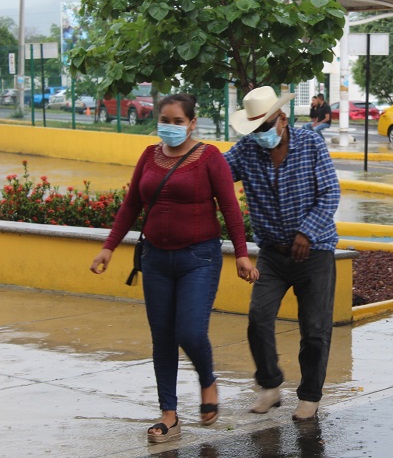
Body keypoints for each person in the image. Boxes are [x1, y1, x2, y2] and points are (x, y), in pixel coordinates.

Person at [90, 93, 258, 443]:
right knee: (163, 338)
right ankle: (169, 414)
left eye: (178, 121)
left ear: (192, 123)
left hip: (199, 258)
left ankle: (207, 380)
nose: (170, 127)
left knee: (190, 332)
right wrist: (108, 248)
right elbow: (131, 205)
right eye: (164, 120)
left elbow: (229, 206)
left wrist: (241, 254)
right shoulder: (149, 157)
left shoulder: (209, 158)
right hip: (155, 260)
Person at [223, 86, 341, 421]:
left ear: (283, 118)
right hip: (273, 254)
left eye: (266, 126)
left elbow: (331, 192)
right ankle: (270, 385)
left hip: (314, 251)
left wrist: (307, 231)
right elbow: (217, 174)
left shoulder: (311, 143)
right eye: (255, 129)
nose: (261, 134)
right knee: (258, 318)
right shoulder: (247, 150)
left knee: (315, 329)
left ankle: (310, 395)